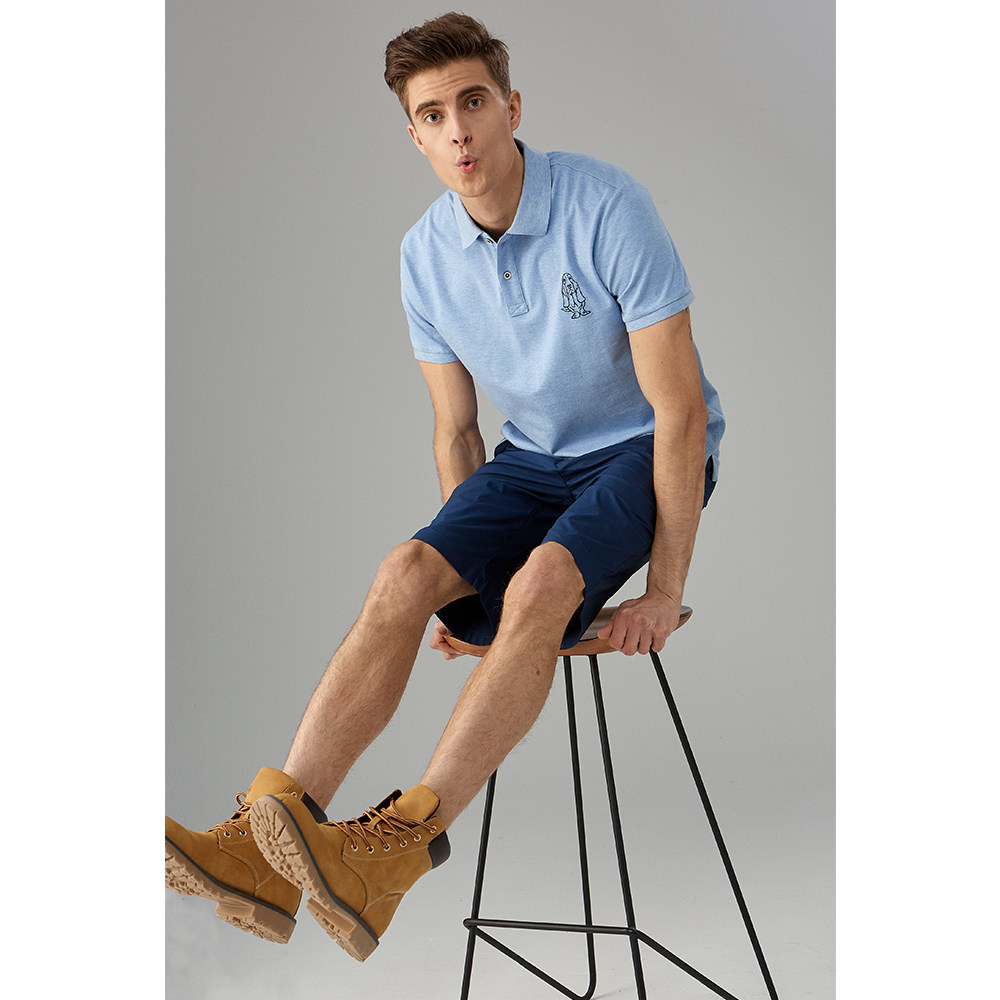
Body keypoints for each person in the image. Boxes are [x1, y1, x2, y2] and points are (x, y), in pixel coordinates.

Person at [165, 11, 725, 964]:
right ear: (415, 136)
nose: (459, 131)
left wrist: (665, 592)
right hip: (534, 457)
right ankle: (267, 847)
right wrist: (465, 584)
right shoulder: (423, 255)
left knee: (543, 585)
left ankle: (394, 851)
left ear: (512, 107)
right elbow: (458, 431)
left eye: (473, 102)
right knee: (401, 573)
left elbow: (678, 414)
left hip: (641, 445)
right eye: (434, 115)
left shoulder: (605, 206)